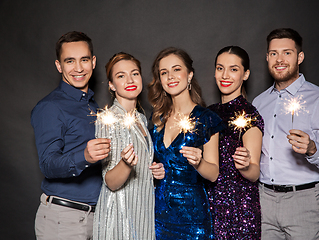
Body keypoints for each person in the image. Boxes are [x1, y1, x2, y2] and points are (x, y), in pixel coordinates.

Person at [253, 28, 319, 239]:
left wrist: (313, 149)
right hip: (264, 199)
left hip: (303, 202)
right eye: (274, 53)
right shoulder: (259, 102)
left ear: (300, 57)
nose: (279, 59)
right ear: (267, 57)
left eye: (287, 52)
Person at [31, 31, 111, 239]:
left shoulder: (95, 108)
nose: (78, 68)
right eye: (70, 61)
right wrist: (83, 156)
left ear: (93, 62)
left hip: (98, 218)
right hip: (63, 220)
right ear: (59, 66)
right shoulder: (50, 107)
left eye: (84, 60)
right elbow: (47, 164)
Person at [148, 47, 224, 239]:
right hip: (160, 215)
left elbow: (214, 173)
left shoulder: (207, 119)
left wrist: (199, 162)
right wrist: (155, 170)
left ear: (189, 75)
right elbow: (157, 163)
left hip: (193, 219)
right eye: (164, 73)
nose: (170, 77)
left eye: (176, 69)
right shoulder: (158, 118)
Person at [93, 52, 165, 240]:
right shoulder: (107, 120)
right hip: (119, 217)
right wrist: (125, 164)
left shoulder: (141, 118)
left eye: (134, 73)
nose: (130, 80)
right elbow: (110, 181)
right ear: (111, 85)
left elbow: (142, 166)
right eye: (120, 76)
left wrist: (154, 170)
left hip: (142, 213)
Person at [207, 46, 264, 239]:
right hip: (209, 204)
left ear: (245, 74)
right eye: (220, 68)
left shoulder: (249, 115)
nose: (225, 75)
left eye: (233, 69)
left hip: (239, 209)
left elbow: (255, 172)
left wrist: (246, 165)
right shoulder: (208, 113)